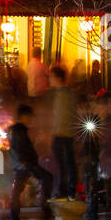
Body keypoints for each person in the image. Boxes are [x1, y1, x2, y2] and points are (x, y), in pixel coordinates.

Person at [8, 104, 53, 220]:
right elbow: (22, 149)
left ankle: (14, 219)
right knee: (47, 178)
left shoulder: (15, 130)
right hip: (26, 165)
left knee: (17, 191)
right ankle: (46, 211)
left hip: (22, 164)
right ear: (24, 116)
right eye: (29, 117)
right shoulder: (19, 130)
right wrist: (29, 163)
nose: (31, 119)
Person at [48, 64, 78, 199]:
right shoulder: (63, 94)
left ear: (58, 78)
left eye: (51, 77)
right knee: (65, 166)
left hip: (63, 135)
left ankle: (66, 192)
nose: (50, 80)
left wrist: (58, 132)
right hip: (63, 134)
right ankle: (67, 192)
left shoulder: (64, 95)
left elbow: (64, 117)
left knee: (64, 166)